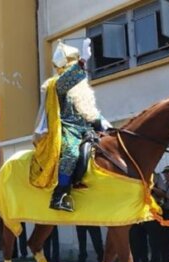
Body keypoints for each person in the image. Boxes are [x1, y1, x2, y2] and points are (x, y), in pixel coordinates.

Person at [30, 39, 111, 212]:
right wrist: (82, 63)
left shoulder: (81, 89)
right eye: (73, 65)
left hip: (87, 129)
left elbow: (90, 111)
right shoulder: (56, 85)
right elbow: (68, 80)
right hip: (68, 129)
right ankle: (59, 195)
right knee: (71, 154)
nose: (79, 71)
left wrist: (104, 123)